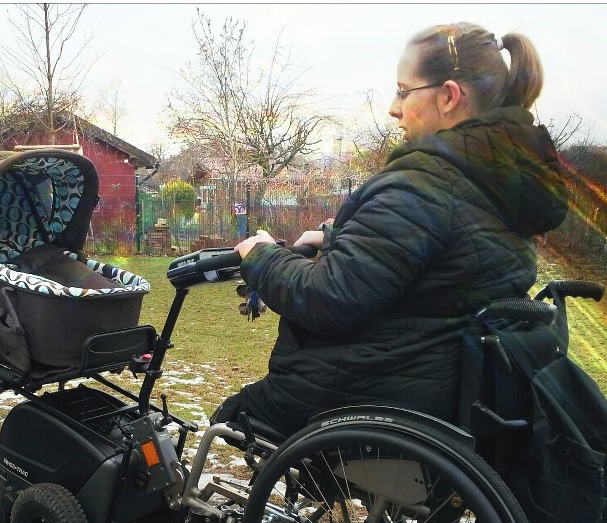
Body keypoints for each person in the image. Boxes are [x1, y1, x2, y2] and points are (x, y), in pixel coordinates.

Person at [212, 22, 569, 437]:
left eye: (403, 90)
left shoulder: (427, 183)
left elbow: (329, 298)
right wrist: (335, 238)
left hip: (370, 396)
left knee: (229, 417)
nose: (393, 108)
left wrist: (260, 255)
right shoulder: (493, 182)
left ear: (449, 96)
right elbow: (445, 252)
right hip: (445, 399)